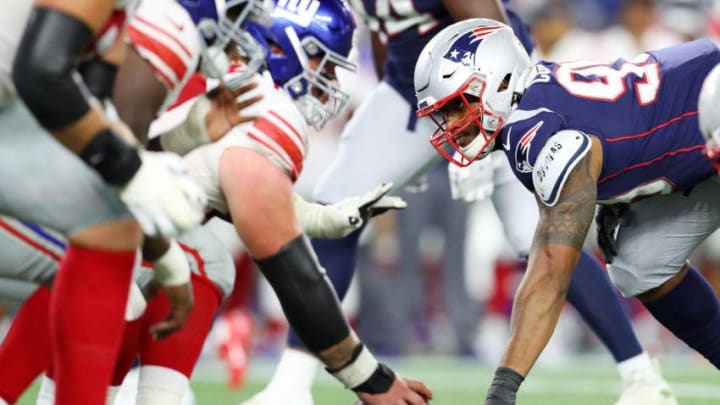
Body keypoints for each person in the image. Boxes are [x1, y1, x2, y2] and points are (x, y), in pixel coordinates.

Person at [244, 1, 674, 404]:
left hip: (500, 94)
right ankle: (291, 382)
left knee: (545, 237)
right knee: (334, 205)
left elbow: (497, 39)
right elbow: (387, 38)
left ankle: (641, 376)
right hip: (411, 99)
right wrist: (395, 148)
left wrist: (492, 125)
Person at [413, 18, 720, 405]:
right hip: (698, 149)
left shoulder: (540, 132)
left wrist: (501, 392)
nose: (454, 125)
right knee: (640, 261)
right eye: (446, 112)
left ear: (500, 80)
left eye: (460, 106)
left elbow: (550, 272)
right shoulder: (533, 110)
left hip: (714, 100)